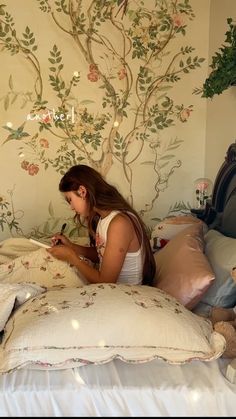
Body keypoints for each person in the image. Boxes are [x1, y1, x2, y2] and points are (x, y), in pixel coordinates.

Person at [47, 164, 156, 286]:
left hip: (125, 294)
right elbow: (102, 254)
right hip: (113, 291)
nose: (71, 207)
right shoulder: (103, 218)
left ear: (82, 191)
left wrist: (72, 257)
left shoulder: (119, 223)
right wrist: (71, 247)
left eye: (70, 200)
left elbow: (106, 281)